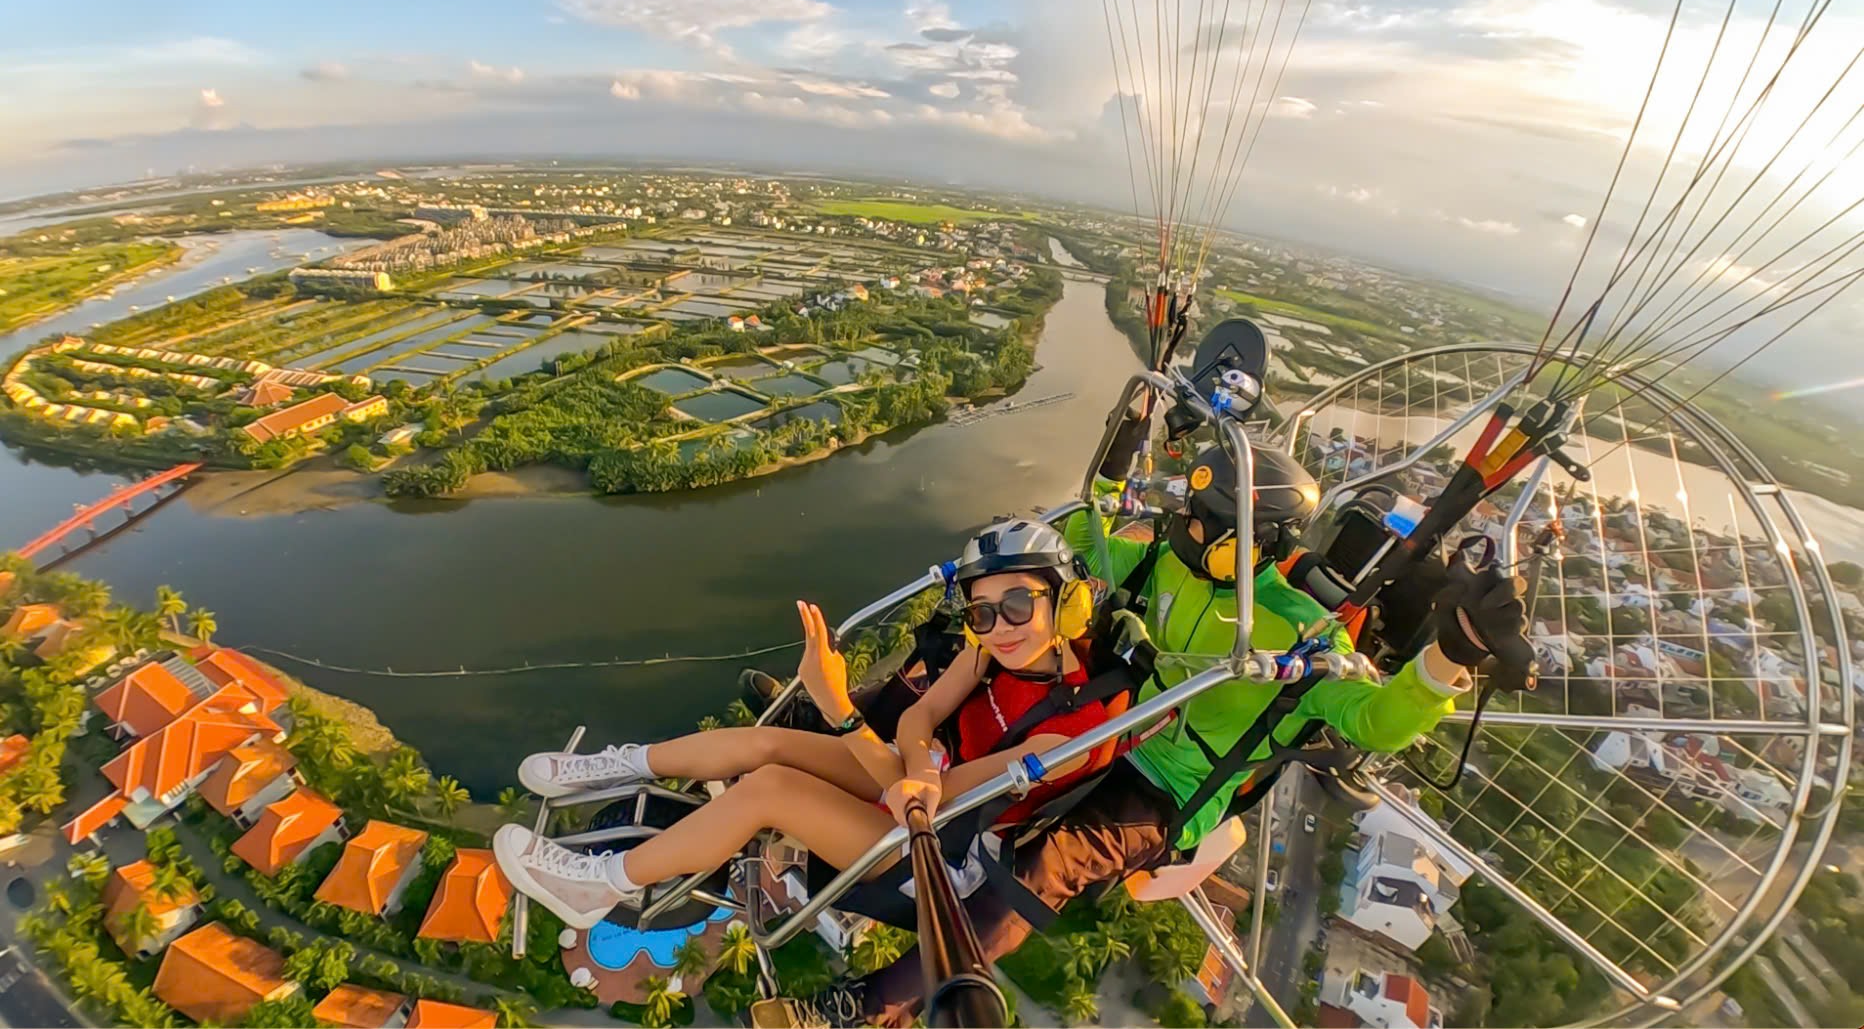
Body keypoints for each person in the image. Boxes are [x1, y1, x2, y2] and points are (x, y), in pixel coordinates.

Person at [804, 437, 1533, 1028]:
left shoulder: (1298, 630)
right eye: (1190, 511)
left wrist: (1450, 656)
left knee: (1046, 866)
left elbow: (1374, 718)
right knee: (956, 665)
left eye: (1206, 523)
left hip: (1164, 781)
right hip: (1105, 719)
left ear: (1254, 541)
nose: (1187, 528)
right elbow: (1079, 552)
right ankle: (826, 719)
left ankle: (875, 1005)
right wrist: (1118, 454)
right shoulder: (1163, 558)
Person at [492, 520, 1135, 931]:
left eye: (1018, 602)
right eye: (983, 612)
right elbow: (919, 716)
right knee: (769, 744)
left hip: (937, 853)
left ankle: (601, 885)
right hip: (924, 787)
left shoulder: (1069, 734)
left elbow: (928, 805)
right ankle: (620, 766)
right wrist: (917, 762)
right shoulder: (988, 650)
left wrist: (842, 711)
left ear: (1065, 601)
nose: (999, 626)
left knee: (771, 787)